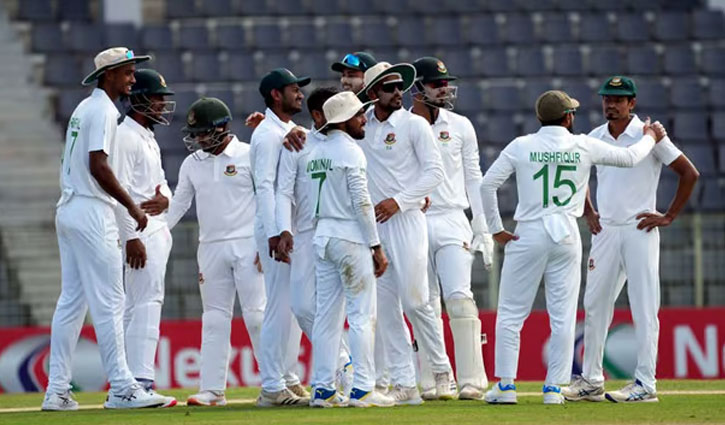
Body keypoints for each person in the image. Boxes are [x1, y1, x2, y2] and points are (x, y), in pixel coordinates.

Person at [480, 90, 667, 405]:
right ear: (568, 118)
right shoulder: (583, 144)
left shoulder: (521, 145)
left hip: (530, 231)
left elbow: (487, 185)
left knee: (511, 313)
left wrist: (496, 228)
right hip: (567, 234)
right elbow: (630, 158)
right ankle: (554, 389)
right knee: (563, 316)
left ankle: (506, 386)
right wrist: (649, 136)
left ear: (539, 117)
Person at [43, 47, 169, 410]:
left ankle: (57, 390)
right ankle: (122, 388)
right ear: (108, 75)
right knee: (112, 301)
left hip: (69, 209)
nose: (132, 79)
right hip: (91, 211)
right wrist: (131, 205)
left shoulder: (85, 107)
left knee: (71, 303)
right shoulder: (102, 110)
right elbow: (98, 165)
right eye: (127, 72)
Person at [561, 76, 699, 403]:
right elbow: (578, 177)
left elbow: (689, 173)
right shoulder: (594, 137)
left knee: (644, 306)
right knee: (595, 305)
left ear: (631, 103)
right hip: (605, 231)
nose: (611, 104)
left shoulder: (649, 135)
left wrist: (668, 215)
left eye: (619, 99)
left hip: (640, 229)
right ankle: (592, 380)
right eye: (607, 99)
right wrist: (589, 211)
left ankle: (646, 384)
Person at [357, 62, 454, 405]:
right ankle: (404, 383)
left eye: (400, 86)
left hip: (407, 220)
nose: (398, 92)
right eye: (389, 87)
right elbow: (324, 131)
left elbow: (435, 173)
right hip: (374, 227)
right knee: (385, 308)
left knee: (416, 300)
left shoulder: (414, 125)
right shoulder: (360, 125)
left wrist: (400, 201)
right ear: (372, 93)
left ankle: (442, 372)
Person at [163, 97, 266, 406]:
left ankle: (275, 383)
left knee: (257, 317)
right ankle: (212, 390)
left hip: (248, 244)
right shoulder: (192, 163)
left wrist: (265, 241)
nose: (198, 140)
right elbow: (179, 204)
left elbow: (268, 200)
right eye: (195, 134)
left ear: (223, 128)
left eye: (204, 133)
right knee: (214, 319)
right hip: (210, 247)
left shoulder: (249, 154)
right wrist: (153, 235)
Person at [410, 57, 493, 401]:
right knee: (424, 303)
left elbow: (474, 177)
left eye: (446, 84)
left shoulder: (460, 125)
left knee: (459, 297)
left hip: (452, 218)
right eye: (436, 84)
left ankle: (473, 379)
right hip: (413, 220)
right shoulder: (401, 126)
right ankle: (433, 379)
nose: (444, 90)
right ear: (417, 88)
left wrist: (482, 225)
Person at [307, 91, 396, 408]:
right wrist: (376, 246)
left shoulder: (316, 152)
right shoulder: (351, 152)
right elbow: (361, 202)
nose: (363, 120)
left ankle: (322, 389)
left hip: (323, 236)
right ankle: (362, 389)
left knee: (326, 317)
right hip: (349, 237)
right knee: (361, 315)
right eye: (359, 115)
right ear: (344, 120)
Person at [274, 87, 355, 396]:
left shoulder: (347, 143)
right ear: (318, 115)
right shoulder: (298, 143)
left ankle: (344, 375)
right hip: (306, 234)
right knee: (303, 305)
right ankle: (344, 362)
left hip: (341, 231)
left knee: (339, 308)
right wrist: (284, 229)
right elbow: (283, 191)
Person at [114, 68, 177, 407]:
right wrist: (129, 238)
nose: (162, 104)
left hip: (155, 228)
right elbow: (118, 191)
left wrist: (166, 199)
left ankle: (127, 382)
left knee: (139, 304)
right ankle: (138, 381)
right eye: (156, 98)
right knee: (145, 304)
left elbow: (162, 183)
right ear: (138, 100)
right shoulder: (125, 136)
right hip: (140, 232)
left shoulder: (146, 136)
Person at [250, 68, 311, 407]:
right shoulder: (265, 134)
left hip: (288, 227)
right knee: (278, 304)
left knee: (293, 303)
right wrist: (276, 233)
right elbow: (264, 187)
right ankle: (272, 385)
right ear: (276, 94)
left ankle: (287, 377)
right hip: (275, 229)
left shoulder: (286, 129)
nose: (300, 94)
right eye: (293, 89)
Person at [243, 51, 377, 129]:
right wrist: (274, 124)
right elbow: (315, 139)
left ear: (370, 78)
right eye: (343, 75)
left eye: (352, 75)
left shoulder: (380, 111)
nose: (344, 81)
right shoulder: (341, 112)